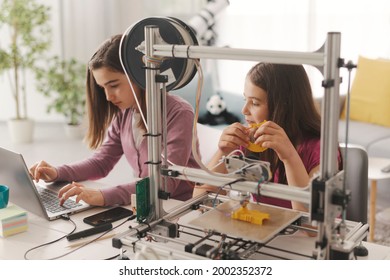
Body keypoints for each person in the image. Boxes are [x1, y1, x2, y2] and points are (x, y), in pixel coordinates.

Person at [30, 34, 200, 206]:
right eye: (102, 87)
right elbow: (101, 162)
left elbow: (165, 183)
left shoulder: (179, 113)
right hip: (146, 205)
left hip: (180, 209)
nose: (108, 96)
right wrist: (56, 172)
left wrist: (102, 195)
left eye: (114, 85)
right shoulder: (125, 113)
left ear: (138, 75)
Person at [194, 62, 341, 211]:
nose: (244, 110)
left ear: (284, 106)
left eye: (255, 103)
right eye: (246, 100)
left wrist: (289, 157)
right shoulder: (249, 141)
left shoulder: (322, 150)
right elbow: (197, 200)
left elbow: (311, 225)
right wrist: (222, 152)